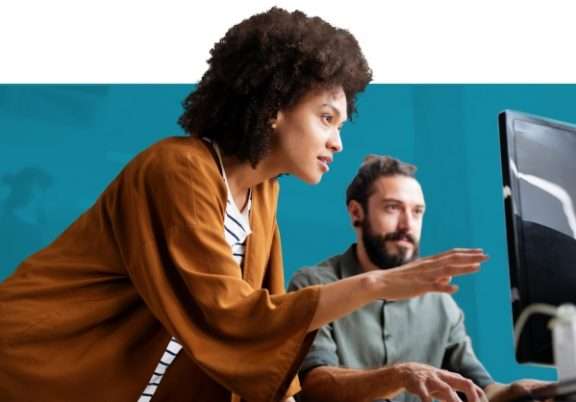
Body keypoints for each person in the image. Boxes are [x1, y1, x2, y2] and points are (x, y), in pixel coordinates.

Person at [0, 9, 488, 402]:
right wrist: (378, 283)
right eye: (326, 118)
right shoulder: (177, 169)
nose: (337, 142)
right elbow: (231, 316)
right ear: (275, 107)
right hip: (33, 366)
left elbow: (264, 338)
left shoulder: (261, 197)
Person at [289, 155, 547, 402]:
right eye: (393, 208)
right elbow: (313, 387)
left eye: (417, 212)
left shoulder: (441, 304)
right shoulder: (314, 285)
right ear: (356, 212)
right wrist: (400, 376)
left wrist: (520, 391)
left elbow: (478, 390)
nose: (407, 224)